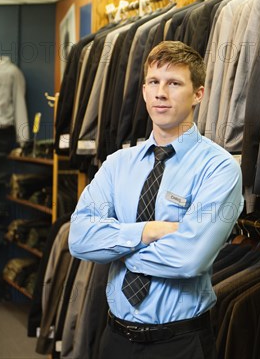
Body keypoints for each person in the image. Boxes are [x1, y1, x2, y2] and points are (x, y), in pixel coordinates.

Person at [69, 41, 243, 358]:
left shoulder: (219, 168)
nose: (160, 93)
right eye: (153, 82)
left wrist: (114, 250)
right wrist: (147, 231)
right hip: (115, 339)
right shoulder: (117, 164)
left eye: (174, 83)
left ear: (198, 94)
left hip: (180, 344)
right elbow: (79, 238)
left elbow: (190, 258)